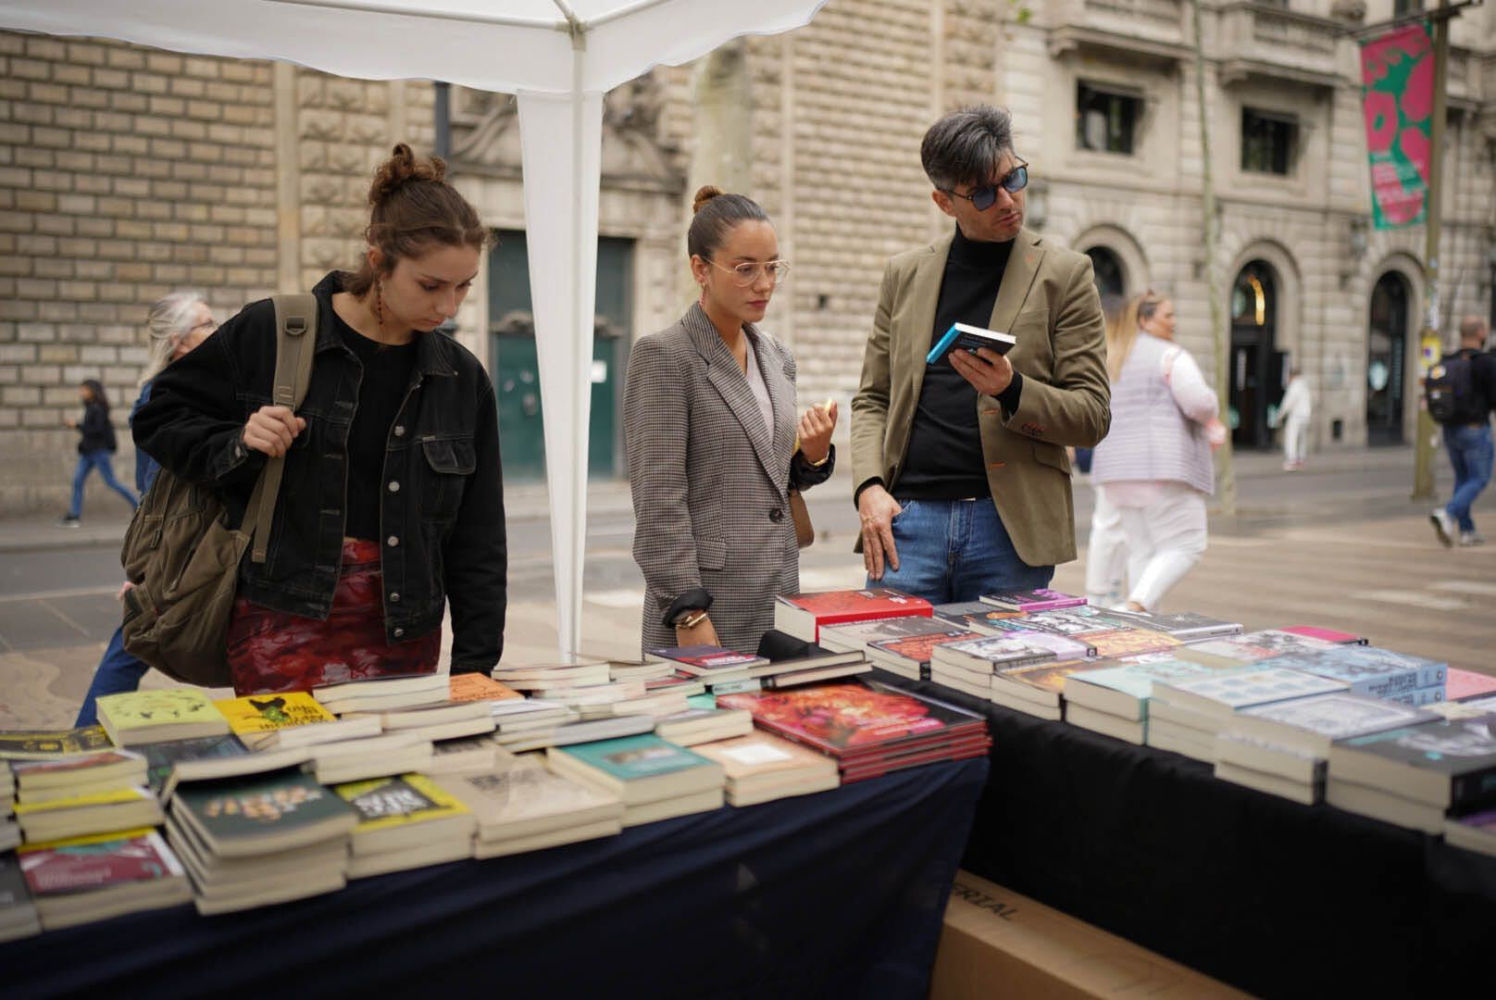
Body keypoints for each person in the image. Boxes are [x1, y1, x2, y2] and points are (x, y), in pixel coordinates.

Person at [134, 143, 506, 695]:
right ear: (378, 259)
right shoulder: (274, 331)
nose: (449, 307)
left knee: (390, 777)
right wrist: (236, 441)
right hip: (282, 625)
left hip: (404, 634)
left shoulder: (461, 377)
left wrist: (475, 667)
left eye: (464, 285)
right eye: (431, 285)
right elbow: (160, 414)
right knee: (286, 775)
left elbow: (478, 537)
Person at [850, 105, 1110, 604]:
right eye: (985, 193)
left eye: (1014, 177)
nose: (1009, 201)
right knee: (890, 673)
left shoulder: (1066, 275)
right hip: (907, 523)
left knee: (1001, 678)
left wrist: (1011, 389)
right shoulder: (905, 274)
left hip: (1007, 528)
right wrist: (868, 487)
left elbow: (1092, 416)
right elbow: (872, 400)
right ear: (944, 202)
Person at [625, 186, 836, 655]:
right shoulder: (664, 356)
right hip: (706, 604)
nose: (764, 284)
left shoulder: (777, 356)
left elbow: (769, 473)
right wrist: (687, 608)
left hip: (779, 590)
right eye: (745, 269)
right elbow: (659, 498)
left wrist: (813, 456)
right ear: (701, 268)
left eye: (772, 267)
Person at [74, 292, 218, 726]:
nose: (218, 328)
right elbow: (156, 489)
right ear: (180, 341)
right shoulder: (166, 398)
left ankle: (86, 737)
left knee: (132, 644)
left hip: (193, 544)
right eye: (206, 323)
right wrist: (144, 569)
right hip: (186, 549)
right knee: (132, 644)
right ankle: (86, 739)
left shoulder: (188, 388)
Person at [1090, 292, 1226, 611]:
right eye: (1168, 315)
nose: (1174, 322)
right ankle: (1134, 607)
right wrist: (1214, 407)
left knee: (1143, 551)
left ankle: (1142, 633)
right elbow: (1199, 402)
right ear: (1144, 320)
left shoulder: (1111, 357)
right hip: (1160, 468)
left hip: (1116, 471)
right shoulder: (1170, 356)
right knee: (1188, 544)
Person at [1429, 316, 1495, 547]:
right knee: (1479, 478)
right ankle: (1448, 514)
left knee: (1463, 479)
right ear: (1480, 333)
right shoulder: (1485, 362)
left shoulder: (1448, 360)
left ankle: (1467, 531)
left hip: (1450, 429)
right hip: (1475, 428)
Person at [1083, 293, 1130, 608]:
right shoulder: (1118, 358)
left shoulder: (1106, 356)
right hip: (1117, 453)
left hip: (1110, 451)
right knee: (1112, 524)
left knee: (1113, 525)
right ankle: (1101, 594)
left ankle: (1105, 591)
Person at [62, 379, 138, 524]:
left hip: (98, 452)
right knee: (77, 481)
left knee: (111, 481)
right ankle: (74, 515)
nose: (81, 392)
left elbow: (96, 430)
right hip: (88, 452)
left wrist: (76, 425)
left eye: (84, 389)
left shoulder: (98, 408)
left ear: (92, 390)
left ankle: (138, 505)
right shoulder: (91, 407)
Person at [1273, 366, 1312, 471]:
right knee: (1302, 438)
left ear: (1292, 376)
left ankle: (1291, 460)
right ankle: (1301, 458)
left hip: (1296, 415)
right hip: (1305, 415)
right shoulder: (1305, 385)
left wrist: (1280, 415)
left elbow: (1288, 402)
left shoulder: (1294, 386)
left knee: (1291, 437)